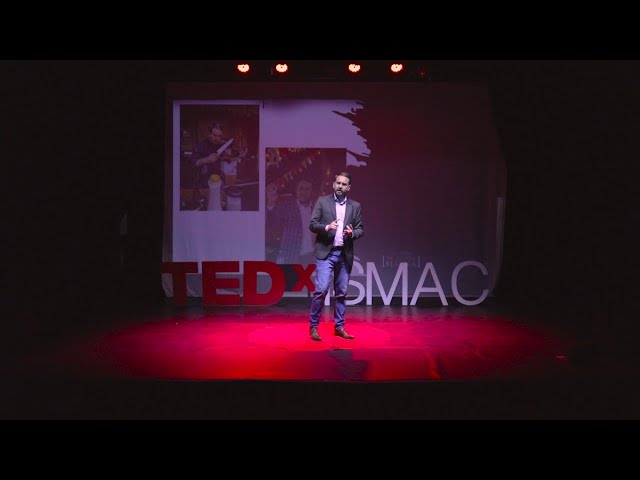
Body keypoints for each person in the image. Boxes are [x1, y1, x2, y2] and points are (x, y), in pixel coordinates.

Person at [308, 172, 364, 341]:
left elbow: (360, 229)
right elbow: (312, 224)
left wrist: (352, 233)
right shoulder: (322, 201)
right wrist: (326, 227)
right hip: (326, 253)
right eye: (338, 183)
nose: (340, 186)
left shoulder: (355, 206)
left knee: (341, 293)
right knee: (321, 290)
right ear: (333, 184)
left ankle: (339, 327)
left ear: (349, 187)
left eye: (344, 184)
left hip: (344, 254)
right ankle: (313, 326)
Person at [266, 178, 317, 265]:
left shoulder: (317, 208)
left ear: (311, 191)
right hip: (291, 256)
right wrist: (271, 203)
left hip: (311, 257)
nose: (303, 192)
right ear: (296, 190)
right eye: (301, 188)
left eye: (307, 189)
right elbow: (273, 222)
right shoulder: (287, 207)